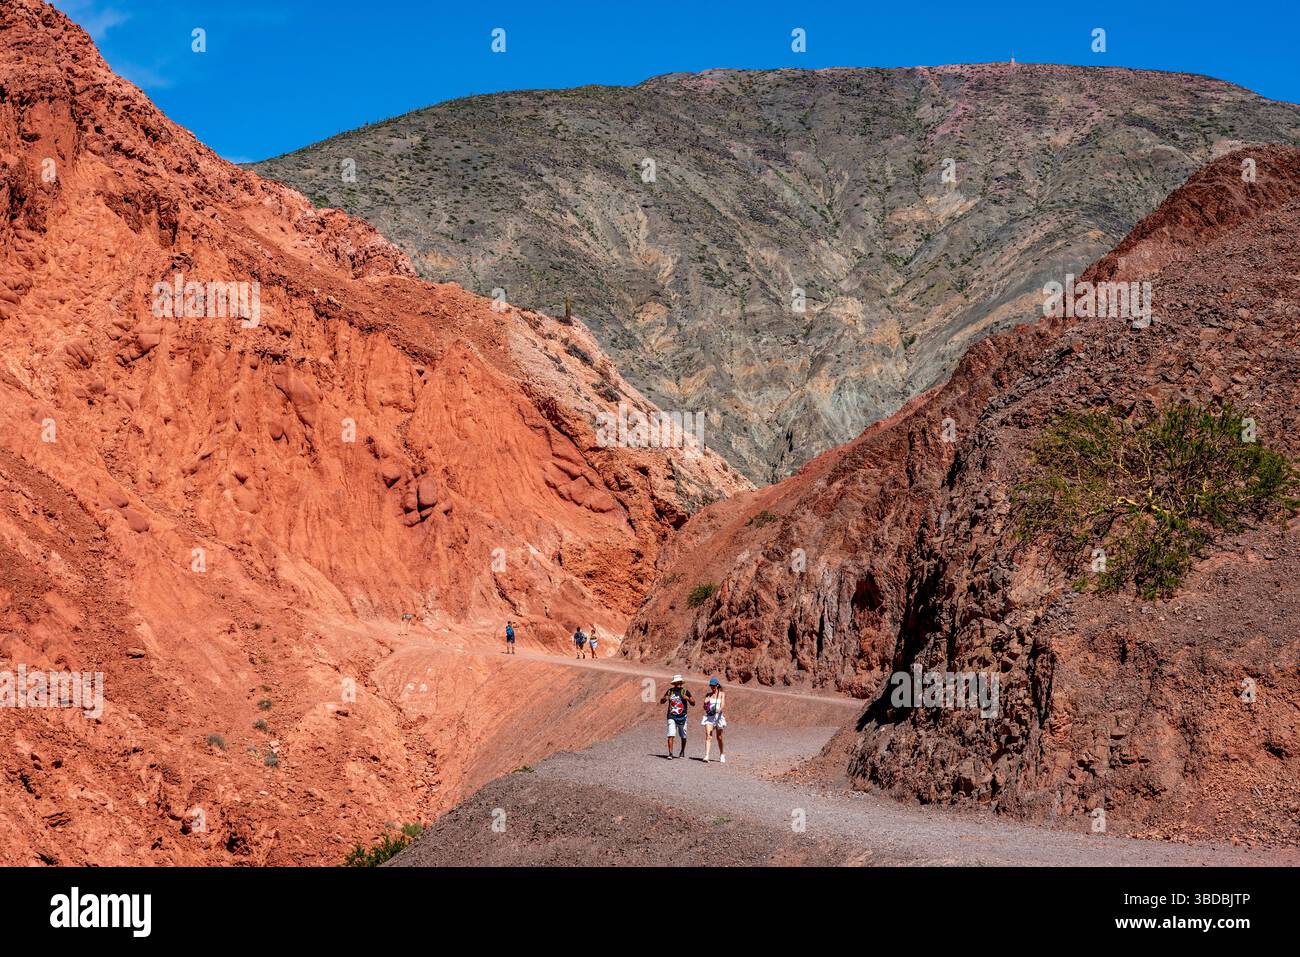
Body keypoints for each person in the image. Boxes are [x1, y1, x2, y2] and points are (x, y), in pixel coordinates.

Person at [659, 675, 694, 759]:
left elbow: (693, 703)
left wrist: (688, 699)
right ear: (674, 683)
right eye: (676, 683)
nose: (678, 684)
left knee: (683, 735)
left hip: (682, 716)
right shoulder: (670, 691)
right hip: (671, 716)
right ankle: (670, 753)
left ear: (681, 683)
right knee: (671, 734)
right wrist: (665, 698)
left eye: (679, 682)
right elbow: (661, 701)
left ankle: (682, 751)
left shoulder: (685, 691)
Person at [701, 677, 726, 763]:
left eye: (714, 686)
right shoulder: (708, 695)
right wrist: (705, 702)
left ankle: (722, 754)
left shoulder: (722, 694)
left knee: (719, 737)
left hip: (718, 717)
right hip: (709, 717)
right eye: (711, 686)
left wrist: (720, 709)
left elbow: (723, 704)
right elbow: (704, 708)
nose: (712, 688)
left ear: (717, 685)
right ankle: (707, 756)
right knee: (708, 736)